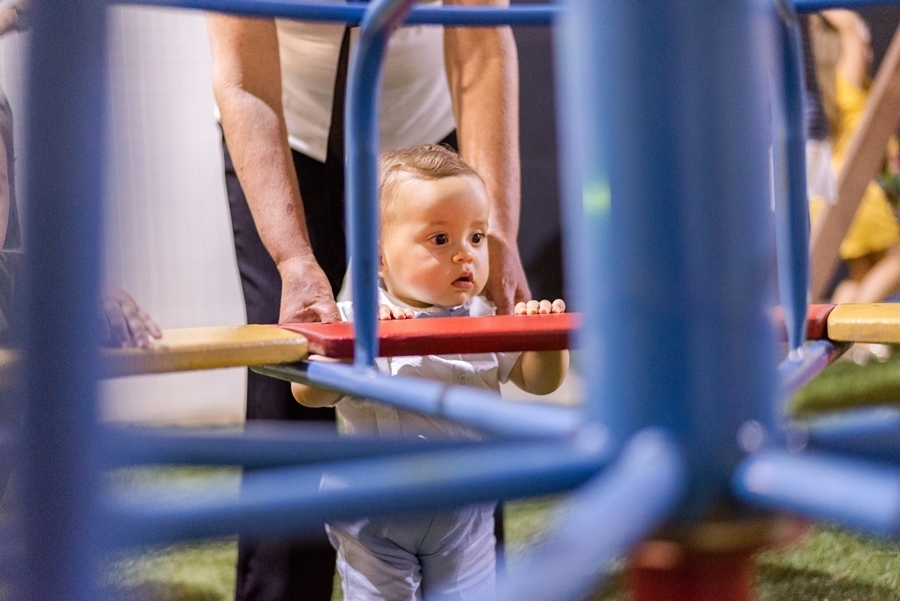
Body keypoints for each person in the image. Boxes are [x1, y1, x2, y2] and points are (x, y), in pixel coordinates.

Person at [205, 4, 529, 599]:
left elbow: (482, 46)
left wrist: (499, 234)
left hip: (427, 131)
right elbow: (245, 78)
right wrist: (293, 259)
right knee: (290, 360)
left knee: (464, 344)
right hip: (284, 123)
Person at [291, 144, 568, 601]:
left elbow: (538, 381)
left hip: (465, 508)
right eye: (440, 239)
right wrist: (353, 350)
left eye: (476, 237)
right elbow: (307, 392)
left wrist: (546, 338)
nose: (465, 255)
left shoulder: (485, 318)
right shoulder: (357, 317)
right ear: (378, 257)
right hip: (374, 510)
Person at [809, 9, 900, 306]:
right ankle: (859, 322)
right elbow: (849, 27)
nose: (868, 49)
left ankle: (842, 325)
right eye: (864, 41)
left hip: (836, 195)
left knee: (860, 278)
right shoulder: (847, 83)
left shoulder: (830, 87)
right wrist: (828, 10)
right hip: (862, 193)